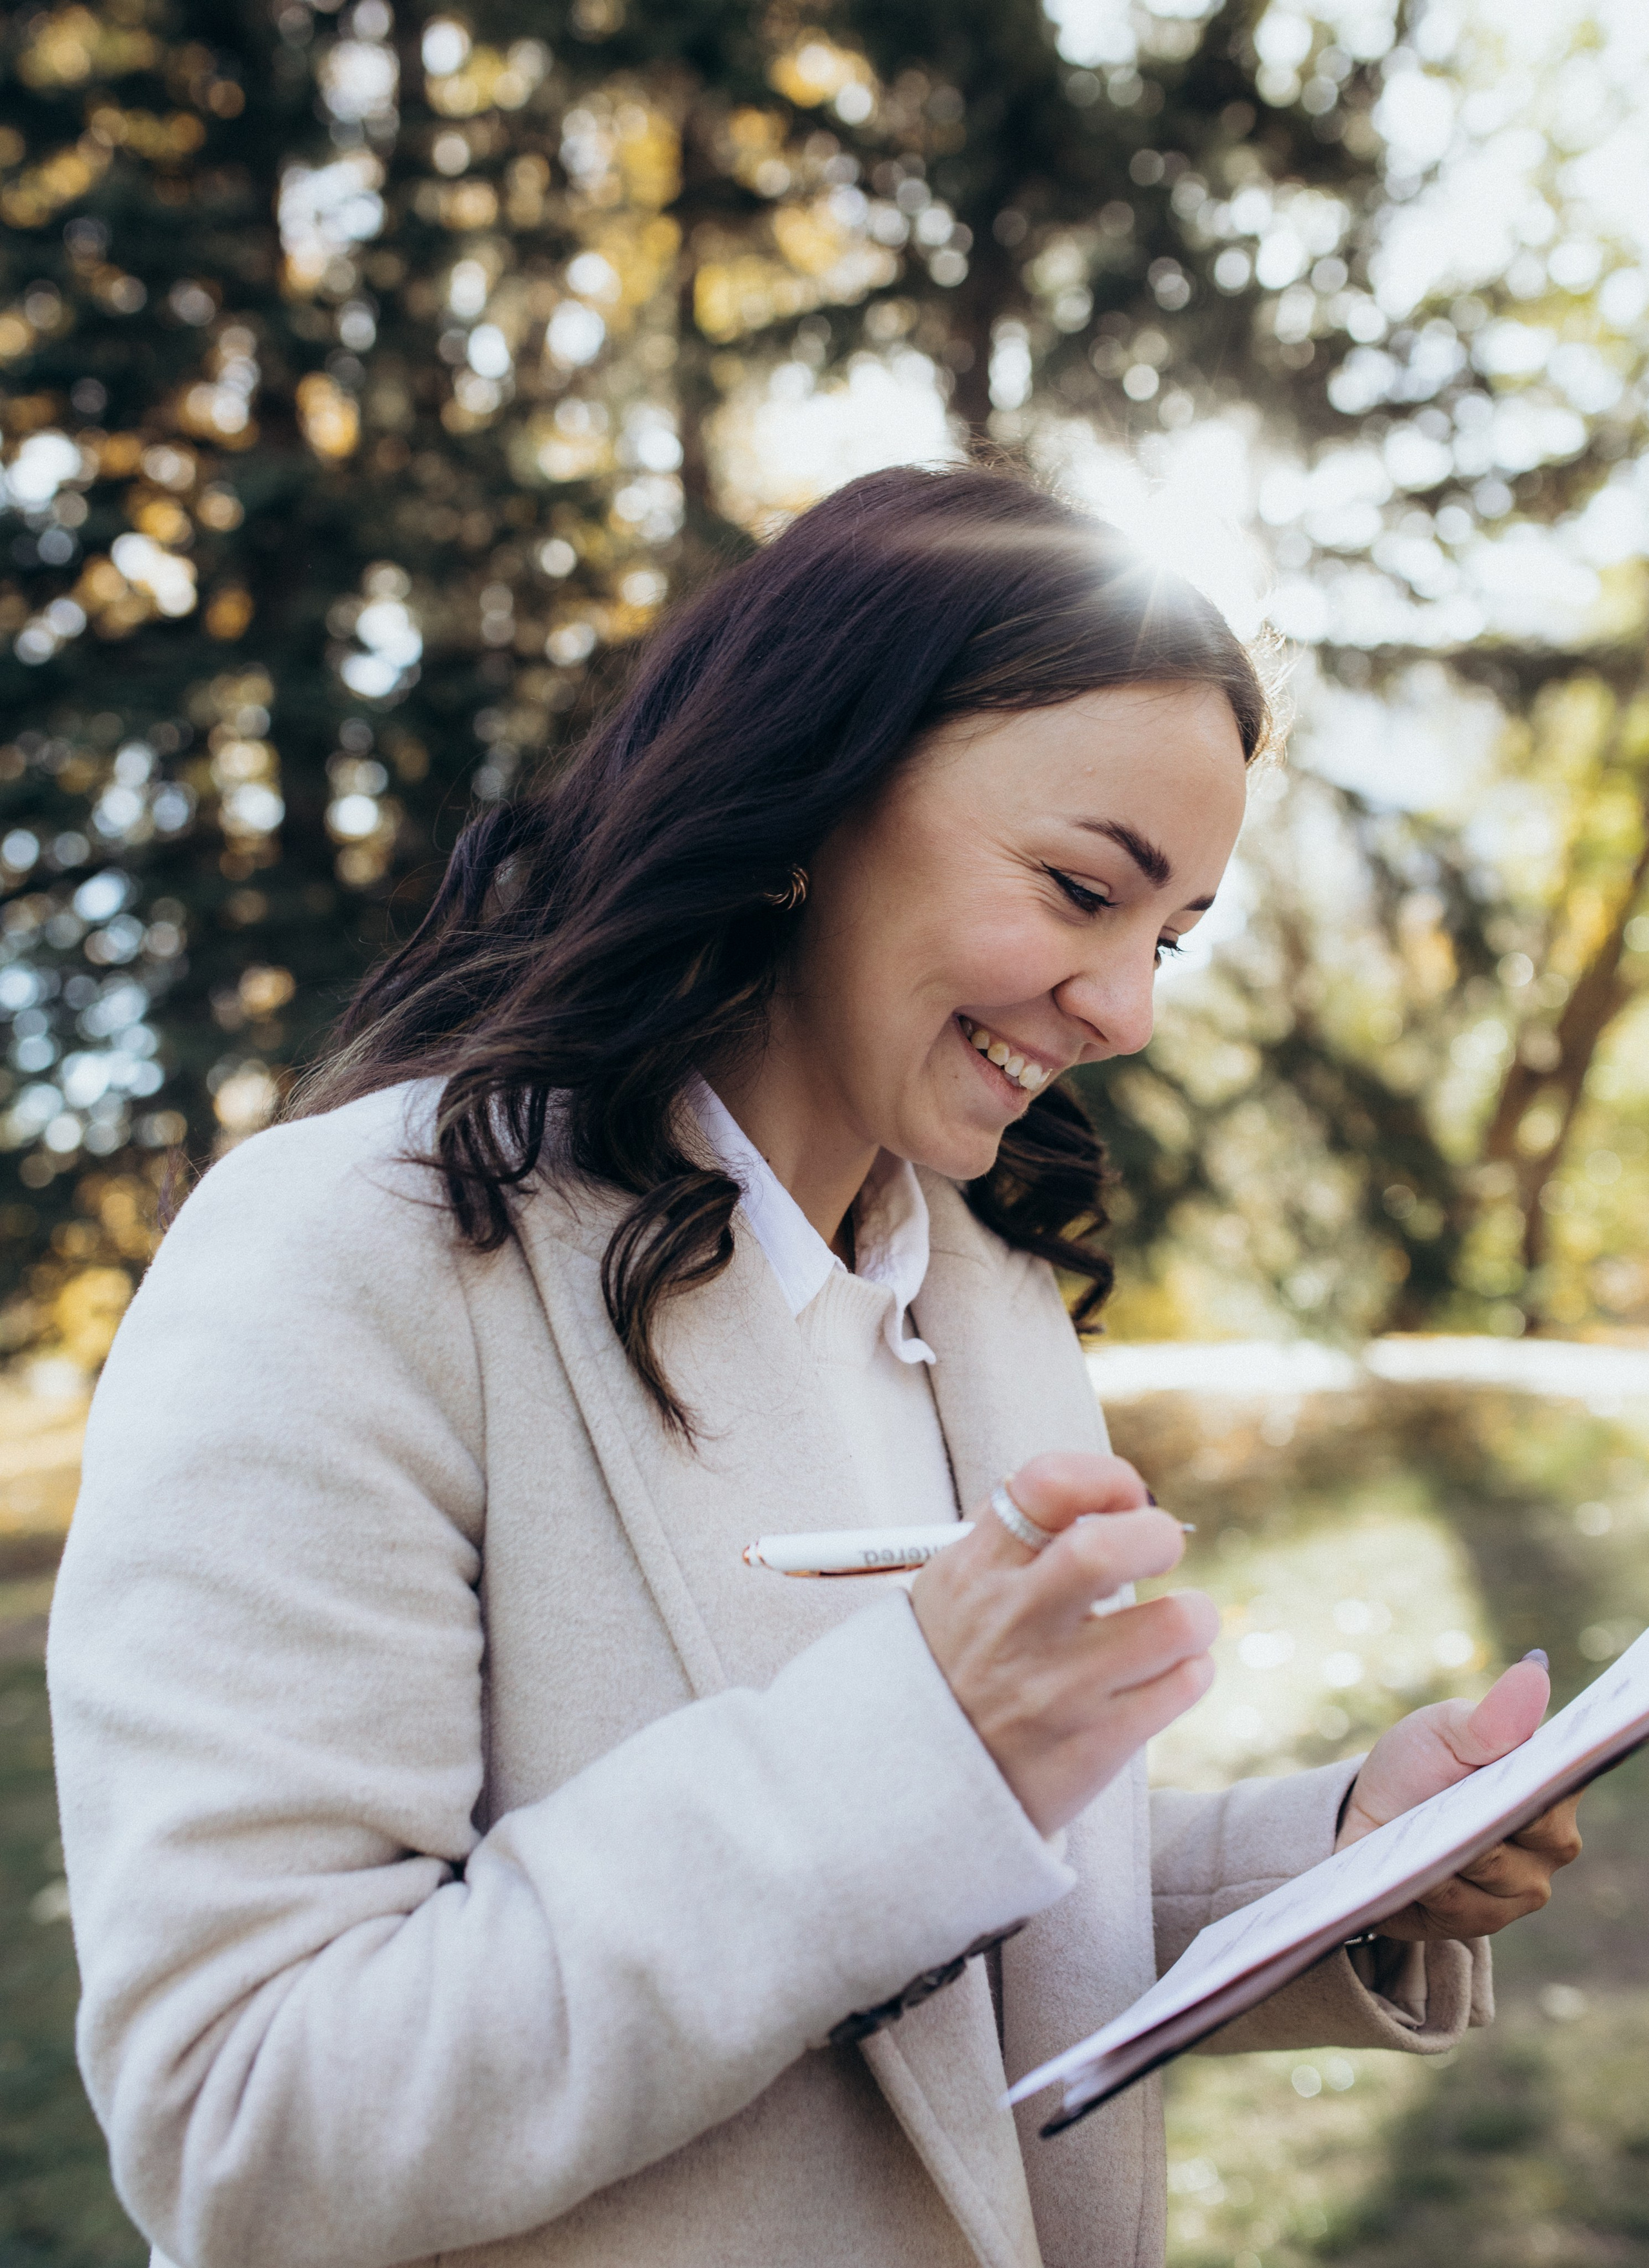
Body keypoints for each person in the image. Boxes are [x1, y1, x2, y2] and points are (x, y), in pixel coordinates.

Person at [47, 465, 1582, 2268]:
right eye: (1085, 889)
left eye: (1167, 939)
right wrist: (914, 1752)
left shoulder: (986, 1301)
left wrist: (1345, 1861)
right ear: (815, 795)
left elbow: (928, 1969)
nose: (1128, 1010)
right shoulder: (352, 1257)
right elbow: (249, 2117)